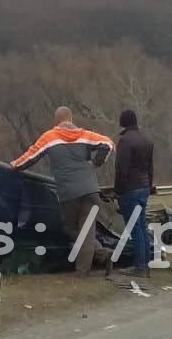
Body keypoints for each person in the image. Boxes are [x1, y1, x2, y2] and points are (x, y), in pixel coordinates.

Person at [11, 106, 115, 276]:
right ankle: (103, 254)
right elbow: (108, 143)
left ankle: (83, 271)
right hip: (90, 191)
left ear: (56, 121)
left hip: (68, 194)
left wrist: (14, 166)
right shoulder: (85, 135)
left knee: (70, 228)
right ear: (71, 119)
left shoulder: (50, 137)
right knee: (86, 231)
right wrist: (96, 163)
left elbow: (31, 156)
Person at [114, 109, 154, 278]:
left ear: (123, 122)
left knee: (134, 228)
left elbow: (121, 170)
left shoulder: (125, 142)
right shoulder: (146, 140)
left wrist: (118, 191)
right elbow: (150, 167)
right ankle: (146, 264)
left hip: (130, 189)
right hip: (144, 187)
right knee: (142, 227)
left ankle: (139, 266)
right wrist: (149, 185)